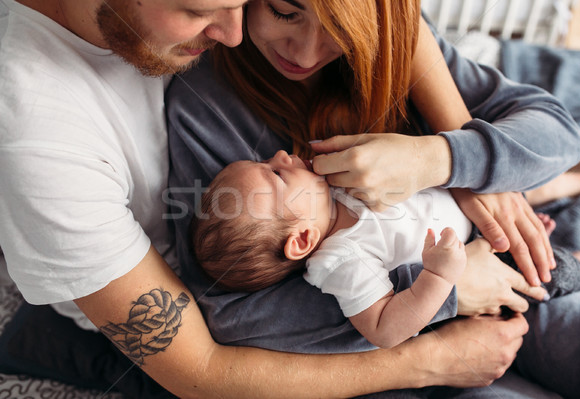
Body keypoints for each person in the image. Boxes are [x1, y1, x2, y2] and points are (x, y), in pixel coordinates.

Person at [0, 0, 547, 398]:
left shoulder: (196, 29)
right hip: (225, 328)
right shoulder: (39, 140)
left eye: (246, 3)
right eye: (201, 11)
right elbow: (203, 369)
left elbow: (387, 16)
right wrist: (428, 356)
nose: (235, 35)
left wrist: (456, 162)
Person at [166, 0, 580, 397]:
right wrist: (448, 291)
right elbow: (233, 314)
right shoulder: (205, 107)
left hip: (500, 267)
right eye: (284, 11)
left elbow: (559, 134)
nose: (305, 54)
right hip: (421, 329)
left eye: (339, 29)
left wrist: (437, 157)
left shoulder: (390, 40)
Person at [191, 151, 580, 349]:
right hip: (474, 254)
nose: (281, 155)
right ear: (301, 241)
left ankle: (576, 179)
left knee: (516, 191)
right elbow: (385, 328)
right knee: (551, 272)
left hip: (472, 206)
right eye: (277, 173)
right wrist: (438, 277)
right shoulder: (340, 261)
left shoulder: (336, 187)